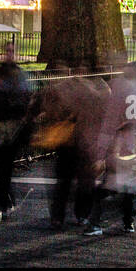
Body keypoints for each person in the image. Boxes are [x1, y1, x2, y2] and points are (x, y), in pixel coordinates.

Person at [84, 56, 136, 236]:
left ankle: (95, 222)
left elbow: (110, 120)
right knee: (132, 187)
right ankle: (128, 222)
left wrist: (101, 151)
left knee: (109, 185)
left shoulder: (118, 89)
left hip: (120, 144)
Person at [30, 64, 108, 229]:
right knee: (85, 182)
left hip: (66, 142)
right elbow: (100, 115)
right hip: (84, 142)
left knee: (63, 183)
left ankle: (58, 216)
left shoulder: (60, 89)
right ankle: (82, 215)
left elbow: (48, 110)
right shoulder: (94, 92)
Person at [0, 44, 34, 221]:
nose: (10, 54)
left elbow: (26, 101)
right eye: (8, 51)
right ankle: (3, 203)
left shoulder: (11, 75)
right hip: (1, 128)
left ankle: (1, 205)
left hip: (11, 128)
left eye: (12, 51)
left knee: (4, 169)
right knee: (3, 169)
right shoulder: (7, 75)